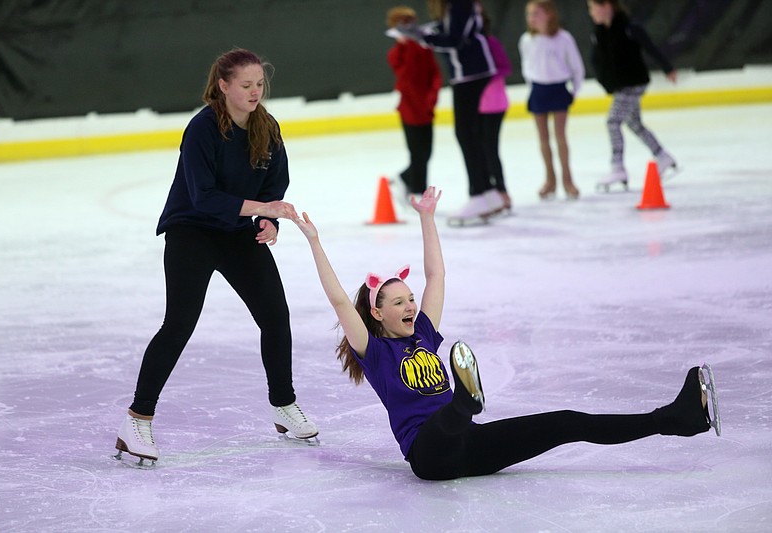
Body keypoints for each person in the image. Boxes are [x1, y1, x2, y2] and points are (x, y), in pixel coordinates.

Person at [293, 186, 720, 481]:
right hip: (429, 453)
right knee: (449, 418)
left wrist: (427, 218)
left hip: (469, 445)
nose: (411, 305)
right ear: (377, 312)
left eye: (410, 299)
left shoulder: (423, 332)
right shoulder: (372, 350)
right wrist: (314, 241)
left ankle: (677, 419)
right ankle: (465, 401)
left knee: (567, 422)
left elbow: (436, 273)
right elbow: (339, 302)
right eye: (399, 302)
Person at [114, 48, 318, 466]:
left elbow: (273, 185)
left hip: (239, 233)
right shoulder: (202, 129)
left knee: (275, 317)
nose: (255, 92)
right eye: (246, 85)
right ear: (223, 86)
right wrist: (263, 211)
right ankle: (136, 419)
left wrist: (271, 222)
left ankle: (283, 404)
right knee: (179, 324)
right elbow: (203, 197)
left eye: (260, 84)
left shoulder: (266, 126)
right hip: (193, 231)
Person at [398, 0, 505, 224]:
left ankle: (479, 193)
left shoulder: (458, 4)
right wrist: (422, 32)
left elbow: (455, 39)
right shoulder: (455, 6)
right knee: (469, 134)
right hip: (469, 73)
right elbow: (450, 31)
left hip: (471, 73)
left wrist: (423, 37)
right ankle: (488, 193)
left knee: (466, 134)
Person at [588, 0, 678, 191]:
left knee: (613, 122)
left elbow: (650, 47)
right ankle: (662, 156)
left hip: (634, 83)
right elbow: (598, 60)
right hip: (620, 86)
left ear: (606, 6)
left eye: (593, 7)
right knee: (634, 123)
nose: (591, 12)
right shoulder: (599, 33)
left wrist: (667, 68)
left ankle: (617, 166)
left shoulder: (629, 28)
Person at [518, 0, 585, 200]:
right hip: (538, 90)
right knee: (543, 139)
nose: (532, 18)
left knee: (560, 137)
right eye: (530, 14)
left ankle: (568, 180)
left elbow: (577, 66)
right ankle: (550, 180)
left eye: (536, 13)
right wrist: (533, 86)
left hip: (558, 89)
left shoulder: (563, 38)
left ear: (549, 14)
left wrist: (575, 89)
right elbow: (526, 66)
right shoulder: (527, 40)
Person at [386, 6, 444, 205]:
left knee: (426, 154)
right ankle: (417, 192)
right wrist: (409, 45)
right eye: (403, 24)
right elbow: (406, 78)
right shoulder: (396, 54)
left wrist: (433, 96)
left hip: (426, 108)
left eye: (410, 23)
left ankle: (405, 180)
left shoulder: (424, 48)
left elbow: (435, 74)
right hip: (410, 110)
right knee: (417, 153)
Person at [479, 12, 513, 211]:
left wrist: (484, 76)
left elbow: (505, 68)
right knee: (481, 150)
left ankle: (501, 190)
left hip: (494, 105)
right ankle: (491, 190)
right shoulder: (469, 46)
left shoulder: (491, 43)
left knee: (490, 149)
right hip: (477, 106)